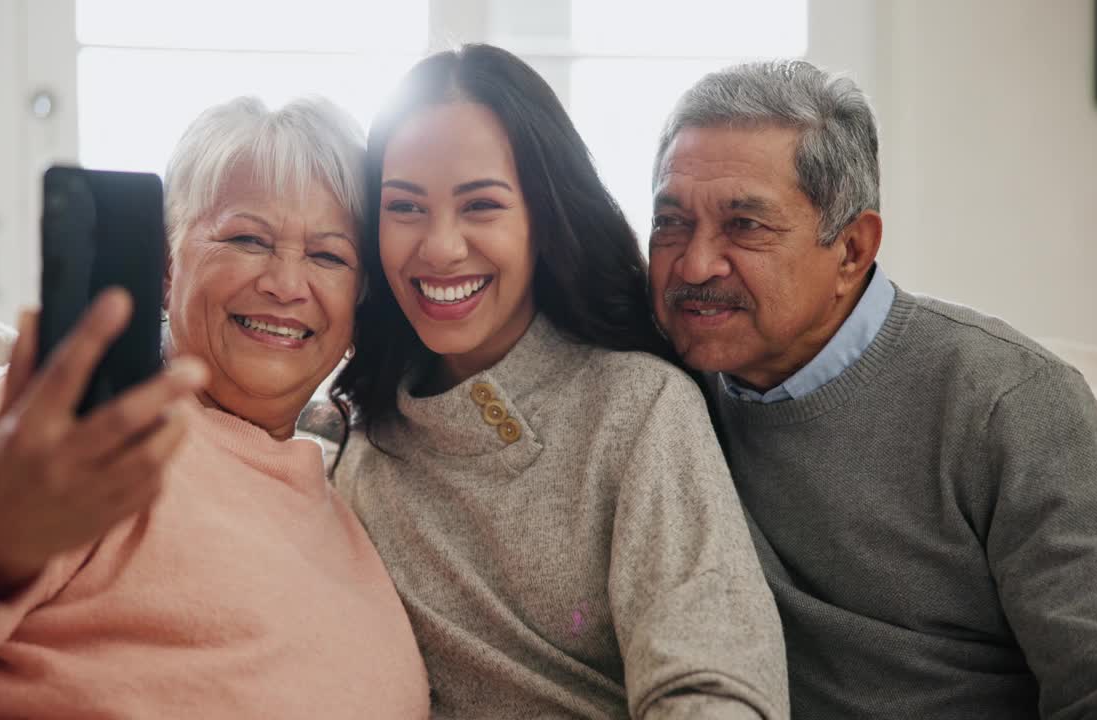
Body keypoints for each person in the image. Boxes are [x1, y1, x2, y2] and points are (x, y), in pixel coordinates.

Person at [0, 96, 429, 719]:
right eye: (246, 238)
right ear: (167, 264)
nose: (287, 285)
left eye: (328, 255)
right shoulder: (83, 427)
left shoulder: (348, 506)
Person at [649, 59, 1097, 719]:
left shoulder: (1011, 402)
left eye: (746, 226)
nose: (695, 263)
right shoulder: (652, 387)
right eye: (671, 222)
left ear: (852, 249)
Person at [332, 44, 787, 719]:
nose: (440, 247)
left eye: (481, 205)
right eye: (405, 208)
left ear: (542, 220)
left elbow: (715, 689)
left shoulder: (637, 408)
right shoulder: (355, 449)